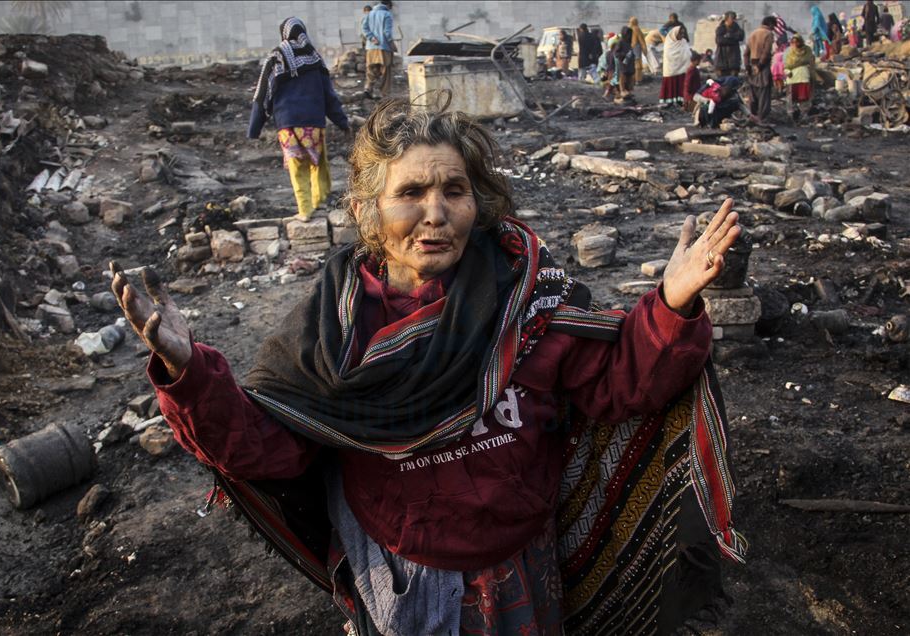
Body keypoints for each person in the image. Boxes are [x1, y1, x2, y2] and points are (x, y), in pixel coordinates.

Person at [111, 97, 746, 635]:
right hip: (407, 578)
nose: (435, 213)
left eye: (454, 190)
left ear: (480, 202)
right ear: (365, 211)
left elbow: (618, 383)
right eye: (410, 193)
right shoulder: (333, 333)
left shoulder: (524, 295)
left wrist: (670, 303)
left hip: (524, 559)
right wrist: (191, 373)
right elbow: (270, 449)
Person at [248, 18, 350, 221]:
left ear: (283, 34)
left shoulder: (276, 58)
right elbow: (330, 97)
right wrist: (342, 122)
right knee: (317, 164)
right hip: (313, 125)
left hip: (287, 125)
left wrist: (254, 129)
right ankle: (318, 202)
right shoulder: (315, 59)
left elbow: (262, 95)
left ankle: (305, 210)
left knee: (297, 168)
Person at [744, 16, 777, 123]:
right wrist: (760, 66)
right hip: (762, 66)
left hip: (752, 64)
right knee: (764, 92)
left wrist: (747, 67)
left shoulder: (753, 33)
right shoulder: (768, 34)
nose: (774, 28)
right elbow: (766, 53)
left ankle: (752, 116)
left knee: (753, 92)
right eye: (774, 26)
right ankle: (762, 118)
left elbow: (746, 53)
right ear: (770, 24)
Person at [362, 0, 394, 99]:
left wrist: (371, 38)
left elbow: (364, 28)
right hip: (384, 47)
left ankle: (368, 88)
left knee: (371, 69)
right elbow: (387, 32)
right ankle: (385, 94)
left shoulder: (369, 14)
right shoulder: (387, 14)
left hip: (371, 47)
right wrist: (392, 43)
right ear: (388, 5)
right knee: (385, 71)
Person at [784, 34, 815, 119]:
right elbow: (786, 66)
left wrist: (812, 75)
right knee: (791, 98)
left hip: (804, 76)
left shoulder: (807, 50)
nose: (795, 43)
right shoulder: (789, 52)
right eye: (793, 42)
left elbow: (811, 63)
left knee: (804, 97)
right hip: (792, 78)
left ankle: (804, 114)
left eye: (796, 41)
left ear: (800, 41)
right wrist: (787, 72)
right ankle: (791, 115)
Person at [660, 26, 692, 106]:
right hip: (671, 68)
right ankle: (669, 101)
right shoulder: (669, 43)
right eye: (680, 33)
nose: (682, 35)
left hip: (682, 68)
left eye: (683, 33)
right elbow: (668, 56)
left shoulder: (683, 42)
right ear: (675, 34)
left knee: (681, 84)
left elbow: (688, 54)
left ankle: (680, 100)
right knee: (671, 83)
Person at [715, 11, 745, 76]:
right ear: (726, 19)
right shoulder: (720, 29)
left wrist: (729, 36)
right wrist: (733, 40)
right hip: (722, 60)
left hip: (734, 60)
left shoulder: (737, 28)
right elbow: (719, 41)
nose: (733, 20)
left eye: (734, 18)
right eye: (731, 18)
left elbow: (741, 36)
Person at [615, 26, 637, 102]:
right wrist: (624, 54)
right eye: (628, 34)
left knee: (630, 77)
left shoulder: (628, 42)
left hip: (630, 63)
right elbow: (616, 53)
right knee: (623, 77)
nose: (629, 36)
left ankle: (628, 91)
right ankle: (622, 91)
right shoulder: (621, 42)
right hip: (623, 63)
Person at [628, 16, 649, 83]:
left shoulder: (628, 29)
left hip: (629, 48)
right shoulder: (636, 29)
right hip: (636, 47)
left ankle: (633, 80)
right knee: (638, 64)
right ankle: (638, 79)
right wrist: (644, 49)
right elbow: (641, 40)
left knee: (631, 64)